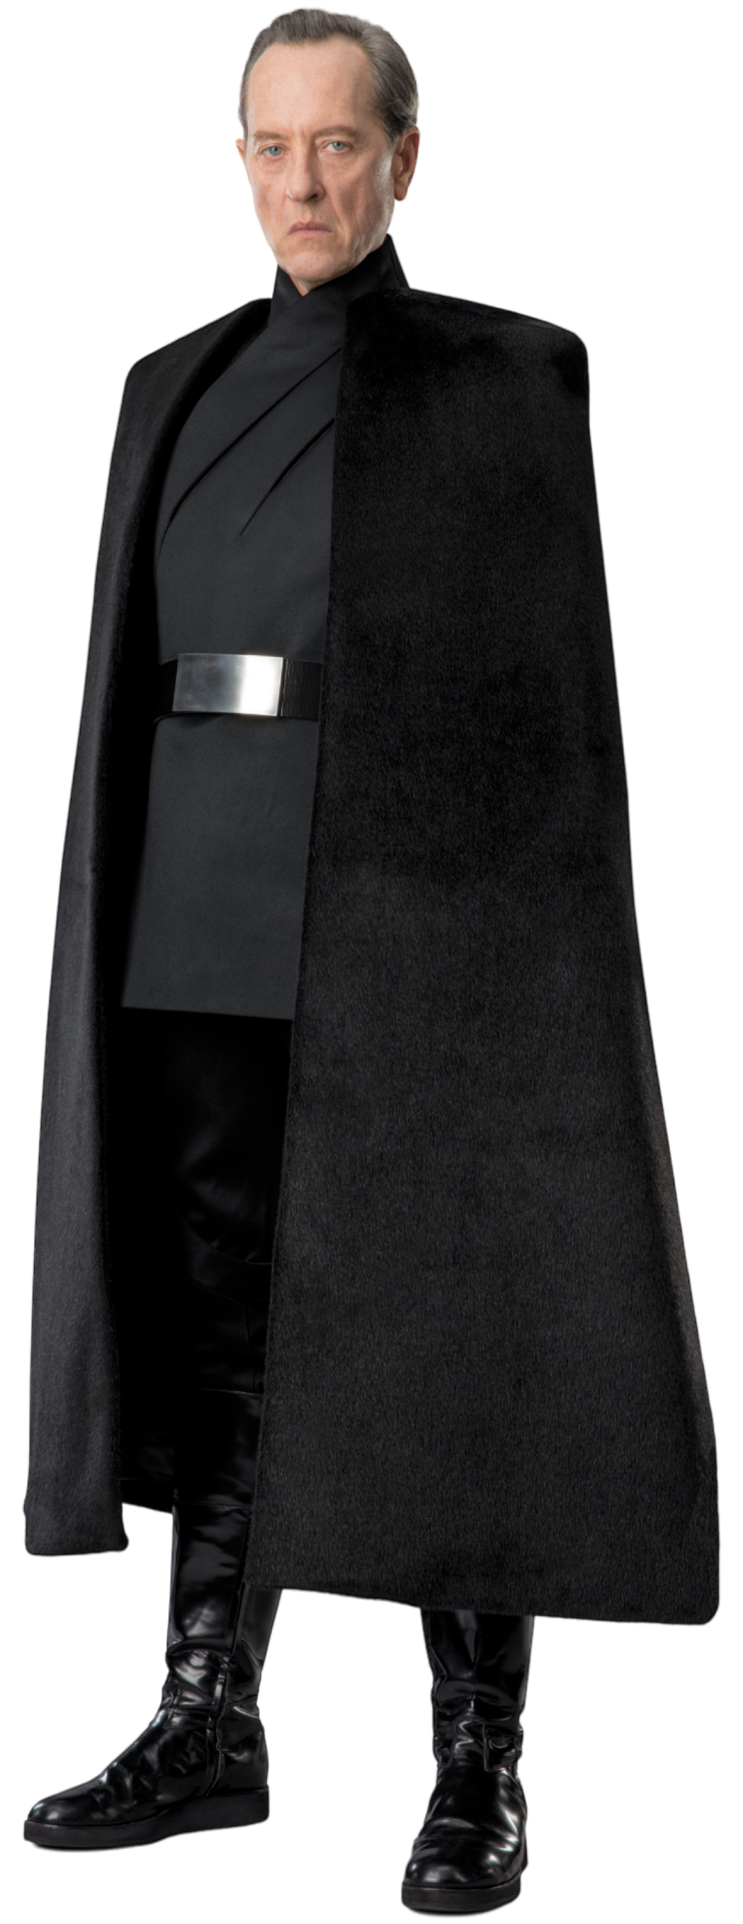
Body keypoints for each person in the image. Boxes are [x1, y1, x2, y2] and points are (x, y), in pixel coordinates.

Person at [22, 8, 720, 1907]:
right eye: (271, 146)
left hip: (419, 934)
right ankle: (209, 1719)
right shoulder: (167, 382)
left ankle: (475, 1760)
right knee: (208, 1325)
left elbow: (550, 717)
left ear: (407, 157)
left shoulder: (510, 376)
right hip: (193, 911)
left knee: (456, 1323)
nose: (304, 182)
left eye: (340, 144)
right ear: (235, 159)